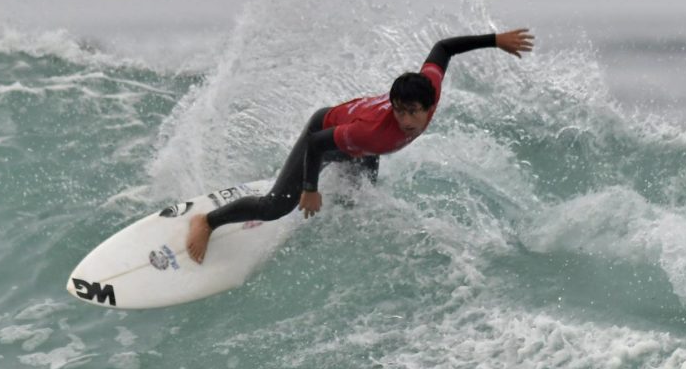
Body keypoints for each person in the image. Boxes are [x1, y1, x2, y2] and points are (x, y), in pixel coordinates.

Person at [186, 28, 535, 264]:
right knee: (279, 204)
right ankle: (209, 221)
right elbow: (317, 143)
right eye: (399, 110)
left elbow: (444, 48)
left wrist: (495, 40)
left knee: (359, 201)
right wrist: (309, 188)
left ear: (430, 105)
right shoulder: (374, 132)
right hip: (328, 132)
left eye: (412, 112)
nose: (406, 120)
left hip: (361, 145)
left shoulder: (429, 85)